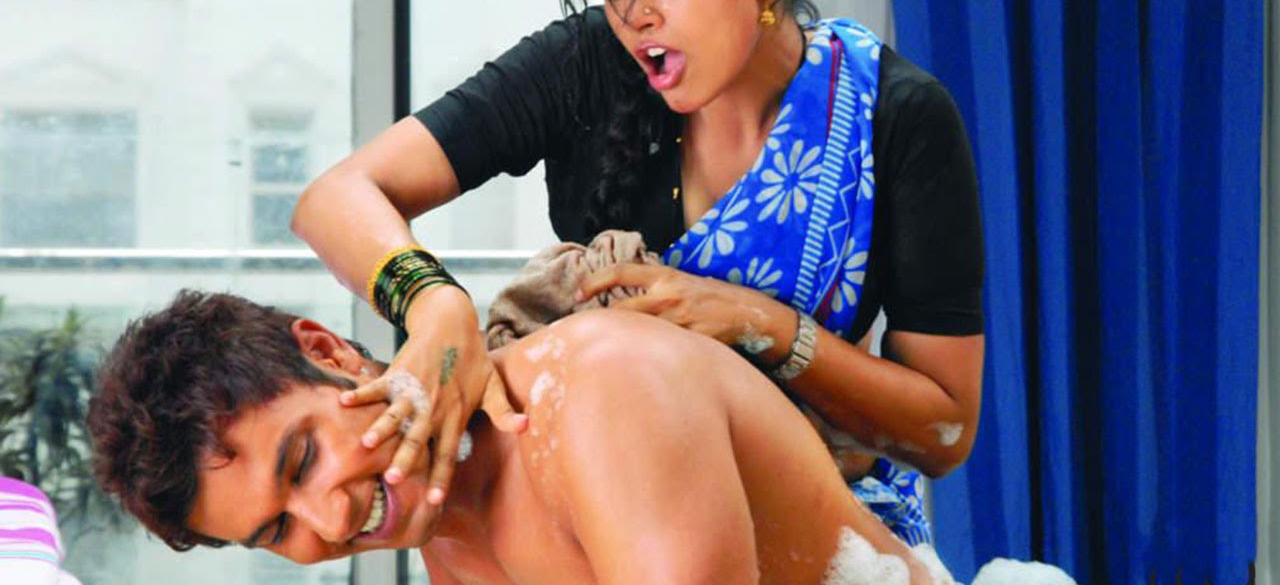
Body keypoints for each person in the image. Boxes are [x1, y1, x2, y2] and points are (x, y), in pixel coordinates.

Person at [291, 0, 984, 545]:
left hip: (819, 522)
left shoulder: (890, 117)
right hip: (605, 509)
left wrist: (762, 326)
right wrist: (435, 306)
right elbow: (336, 198)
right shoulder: (584, 66)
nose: (632, 15)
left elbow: (943, 431)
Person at [86, 291, 954, 585]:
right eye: (279, 529)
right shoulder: (448, 542)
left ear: (331, 353)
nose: (332, 518)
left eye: (304, 458)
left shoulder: (600, 390)